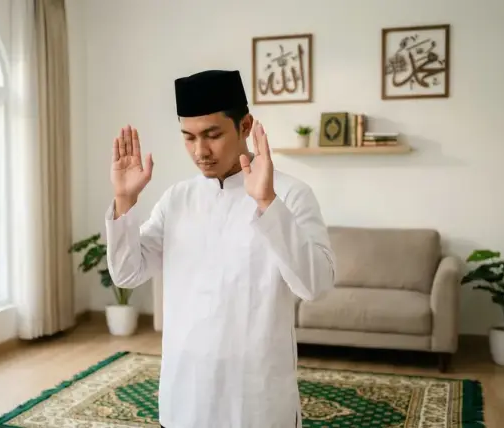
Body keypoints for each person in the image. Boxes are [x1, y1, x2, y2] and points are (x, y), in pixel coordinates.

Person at [104, 69, 336, 428]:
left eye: (213, 135)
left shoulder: (290, 194)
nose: (201, 152)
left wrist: (268, 204)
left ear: (245, 126)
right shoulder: (176, 198)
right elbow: (127, 272)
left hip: (256, 399)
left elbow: (315, 285)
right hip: (185, 395)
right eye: (189, 137)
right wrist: (124, 201)